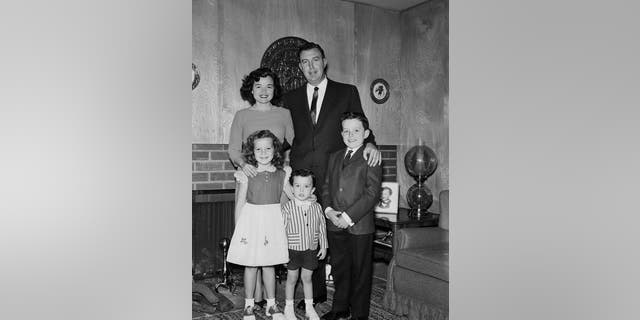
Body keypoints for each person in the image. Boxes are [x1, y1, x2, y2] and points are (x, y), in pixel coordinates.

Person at [282, 41, 382, 308]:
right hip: (302, 177)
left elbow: (361, 125)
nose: (310, 66)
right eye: (305, 62)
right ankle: (315, 294)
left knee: (333, 237)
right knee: (308, 233)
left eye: (315, 60)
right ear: (300, 66)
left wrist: (372, 144)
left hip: (336, 174)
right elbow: (283, 137)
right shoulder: (290, 98)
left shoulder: (346, 91)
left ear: (324, 61)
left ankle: (345, 298)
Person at [228, 67, 294, 308]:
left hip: (276, 183)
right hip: (250, 179)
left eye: (268, 86)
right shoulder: (242, 115)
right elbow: (233, 149)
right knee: (252, 245)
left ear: (274, 89)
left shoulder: (284, 113)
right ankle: (251, 301)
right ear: (251, 89)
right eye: (258, 86)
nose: (263, 91)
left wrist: (287, 172)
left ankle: (270, 300)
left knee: (272, 243)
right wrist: (244, 165)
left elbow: (296, 144)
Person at [321, 112, 382, 320]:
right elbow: (327, 187)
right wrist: (328, 211)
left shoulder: (371, 156)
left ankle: (359, 315)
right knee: (340, 269)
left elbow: (372, 194)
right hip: (334, 223)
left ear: (366, 133)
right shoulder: (335, 156)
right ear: (341, 133)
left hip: (359, 225)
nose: (351, 134)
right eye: (346, 131)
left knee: (360, 273)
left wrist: (346, 217)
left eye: (356, 130)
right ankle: (340, 308)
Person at [226, 130, 290, 320]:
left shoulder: (282, 173)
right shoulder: (247, 174)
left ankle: (271, 304)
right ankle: (249, 305)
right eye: (258, 149)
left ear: (275, 150)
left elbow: (291, 196)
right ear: (252, 152)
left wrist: (307, 199)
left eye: (268, 148)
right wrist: (239, 228)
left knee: (270, 264)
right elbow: (241, 201)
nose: (263, 153)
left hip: (272, 222)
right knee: (251, 266)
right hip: (252, 222)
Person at [281, 169, 328, 320]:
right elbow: (281, 230)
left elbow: (322, 227)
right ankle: (288, 309)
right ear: (292, 187)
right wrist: (281, 252)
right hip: (292, 250)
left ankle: (309, 307)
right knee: (292, 278)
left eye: (306, 186)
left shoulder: (317, 207)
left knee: (307, 278)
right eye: (297, 186)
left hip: (311, 248)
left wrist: (324, 245)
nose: (301, 190)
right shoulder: (287, 208)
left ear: (313, 189)